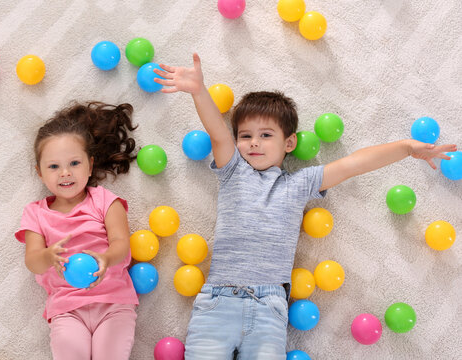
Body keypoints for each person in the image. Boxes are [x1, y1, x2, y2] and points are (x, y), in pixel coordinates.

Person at [153, 54, 457, 359]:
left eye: (266, 135)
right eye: (245, 136)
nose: (254, 143)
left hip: (269, 308)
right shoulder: (234, 170)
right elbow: (218, 134)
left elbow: (353, 164)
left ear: (289, 143)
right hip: (218, 301)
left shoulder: (300, 183)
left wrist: (405, 148)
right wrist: (197, 91)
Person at [15, 101, 139, 360]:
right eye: (53, 167)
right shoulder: (36, 213)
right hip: (67, 309)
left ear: (90, 165)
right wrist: (48, 256)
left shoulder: (105, 201)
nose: (65, 173)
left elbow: (121, 244)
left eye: (74, 163)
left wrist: (105, 258)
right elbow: (33, 262)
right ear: (39, 173)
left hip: (113, 304)